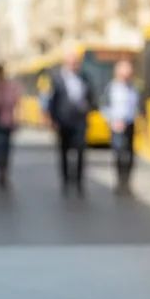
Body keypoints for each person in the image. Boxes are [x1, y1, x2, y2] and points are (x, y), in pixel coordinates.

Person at [46, 44, 95, 194]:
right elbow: (53, 100)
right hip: (64, 121)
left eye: (76, 62)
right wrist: (52, 119)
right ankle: (66, 180)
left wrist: (89, 107)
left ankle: (79, 181)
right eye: (72, 62)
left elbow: (91, 96)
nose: (74, 65)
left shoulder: (84, 77)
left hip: (80, 120)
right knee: (64, 152)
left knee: (80, 151)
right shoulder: (57, 78)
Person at [101, 59, 142, 195]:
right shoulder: (111, 87)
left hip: (130, 124)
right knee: (119, 154)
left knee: (130, 155)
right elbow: (104, 106)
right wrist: (112, 120)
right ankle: (119, 182)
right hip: (117, 125)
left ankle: (127, 182)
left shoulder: (134, 88)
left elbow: (138, 105)